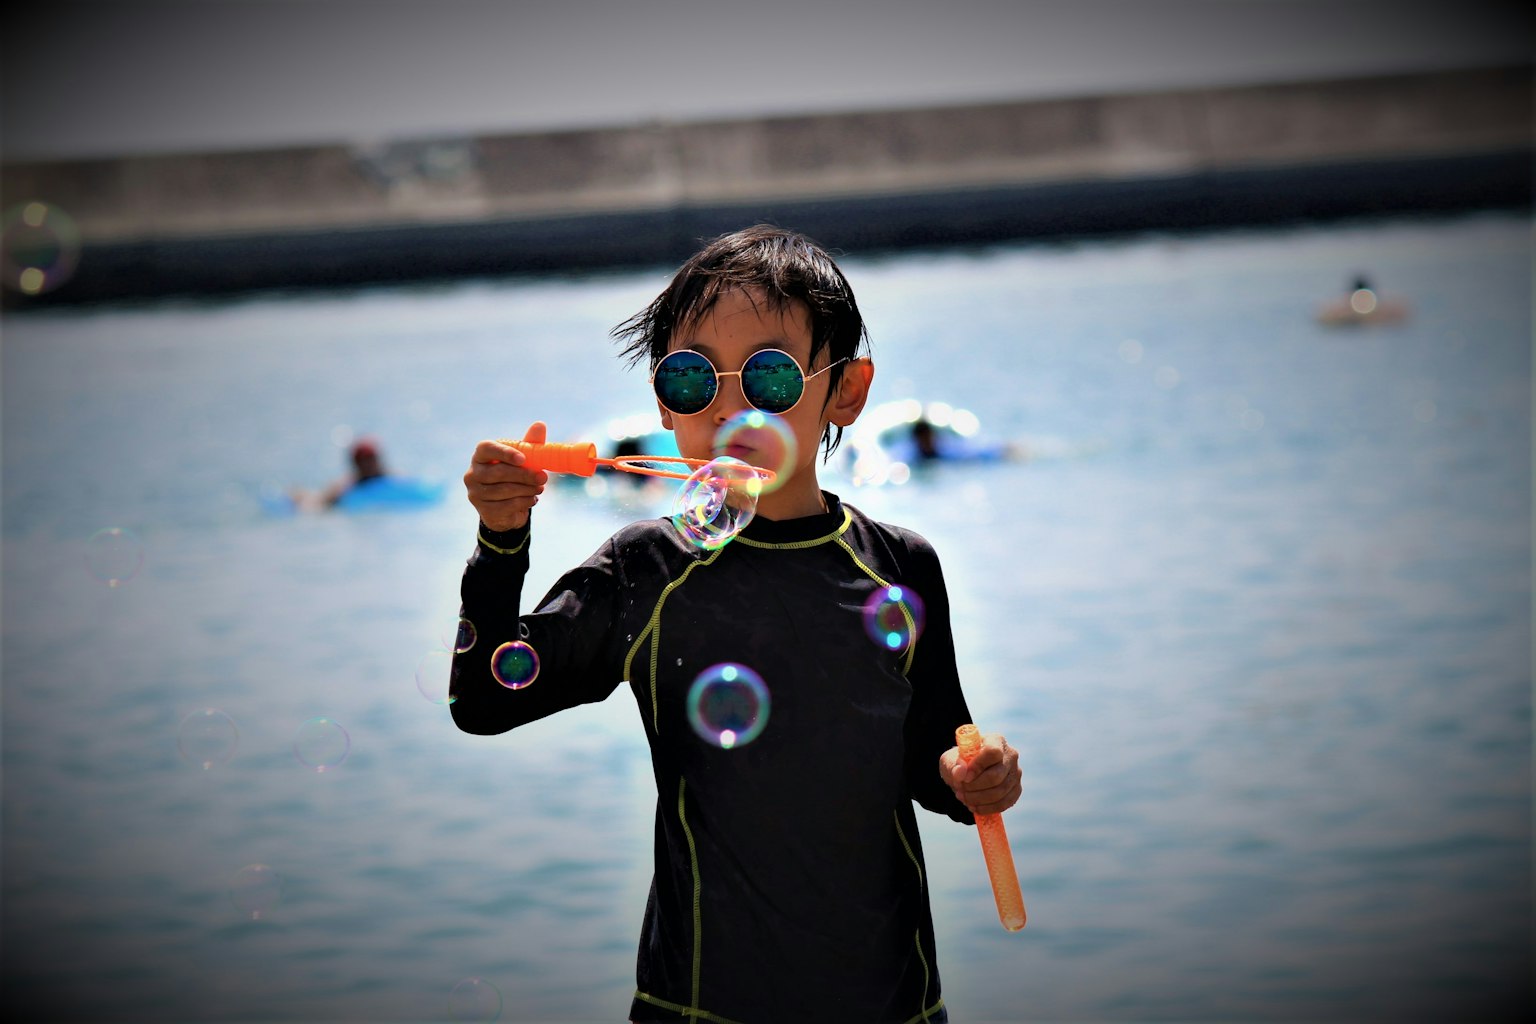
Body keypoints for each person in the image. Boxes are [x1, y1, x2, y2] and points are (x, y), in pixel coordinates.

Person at [451, 225, 1022, 1023]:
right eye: (692, 379)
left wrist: (979, 777)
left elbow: (939, 766)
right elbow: (484, 698)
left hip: (890, 1003)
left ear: (847, 391)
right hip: (699, 1007)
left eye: (770, 375)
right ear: (663, 403)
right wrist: (501, 541)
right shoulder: (643, 571)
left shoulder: (898, 566)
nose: (728, 405)